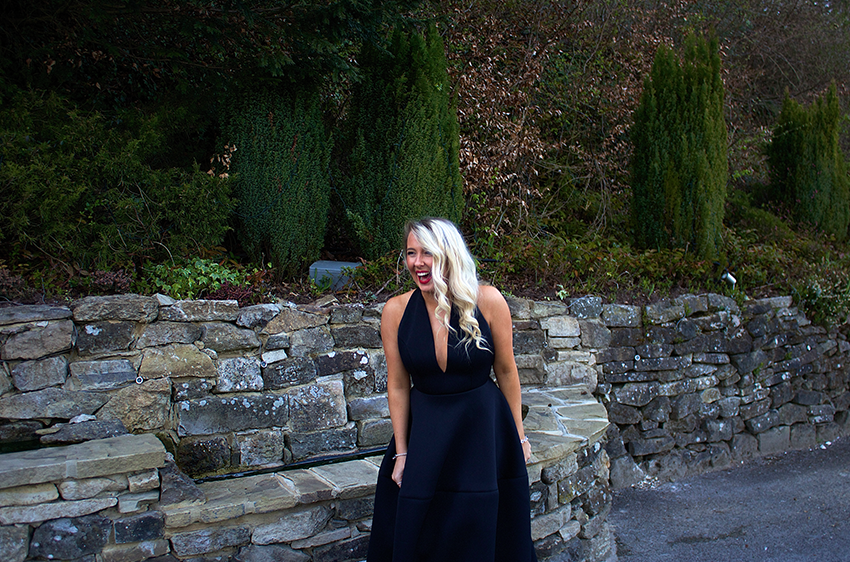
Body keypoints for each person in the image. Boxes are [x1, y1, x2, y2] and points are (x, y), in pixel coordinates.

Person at [367, 217, 537, 562]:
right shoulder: (395, 311)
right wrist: (402, 453)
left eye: (427, 253)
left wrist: (518, 438)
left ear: (449, 254)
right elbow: (397, 385)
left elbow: (507, 371)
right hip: (425, 434)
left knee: (483, 527)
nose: (417, 262)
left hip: (482, 432)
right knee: (421, 527)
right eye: (411, 253)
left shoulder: (488, 301)